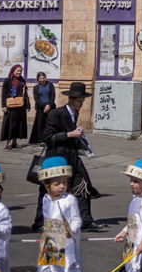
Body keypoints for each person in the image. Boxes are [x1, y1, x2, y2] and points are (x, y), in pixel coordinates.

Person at [27, 156, 88, 272]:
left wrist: (71, 230)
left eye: (64, 182)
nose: (62, 186)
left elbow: (76, 220)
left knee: (69, 270)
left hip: (66, 242)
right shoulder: (46, 199)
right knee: (44, 270)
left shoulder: (70, 200)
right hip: (50, 241)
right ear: (47, 185)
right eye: (57, 183)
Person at [34, 81, 97, 232]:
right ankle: (40, 222)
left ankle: (86, 220)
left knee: (82, 185)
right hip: (56, 158)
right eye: (79, 101)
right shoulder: (56, 113)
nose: (81, 104)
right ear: (71, 99)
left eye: (82, 101)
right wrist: (70, 134)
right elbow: (47, 137)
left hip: (72, 156)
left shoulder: (74, 113)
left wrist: (78, 136)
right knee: (48, 189)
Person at [0, 65, 29, 150]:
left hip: (20, 106)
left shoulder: (22, 80)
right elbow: (3, 94)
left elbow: (25, 94)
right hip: (11, 106)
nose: (19, 72)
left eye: (20, 71)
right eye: (17, 71)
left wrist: (27, 104)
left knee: (18, 125)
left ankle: (15, 142)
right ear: (13, 70)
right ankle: (9, 142)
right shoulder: (8, 80)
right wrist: (3, 105)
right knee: (10, 124)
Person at [29, 72, 55, 146]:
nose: (42, 80)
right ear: (38, 79)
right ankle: (41, 141)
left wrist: (49, 105)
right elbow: (37, 99)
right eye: (40, 78)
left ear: (45, 78)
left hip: (50, 108)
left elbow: (53, 96)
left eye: (43, 78)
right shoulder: (36, 87)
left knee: (49, 125)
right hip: (41, 109)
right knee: (40, 125)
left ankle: (49, 139)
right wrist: (44, 106)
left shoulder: (50, 85)